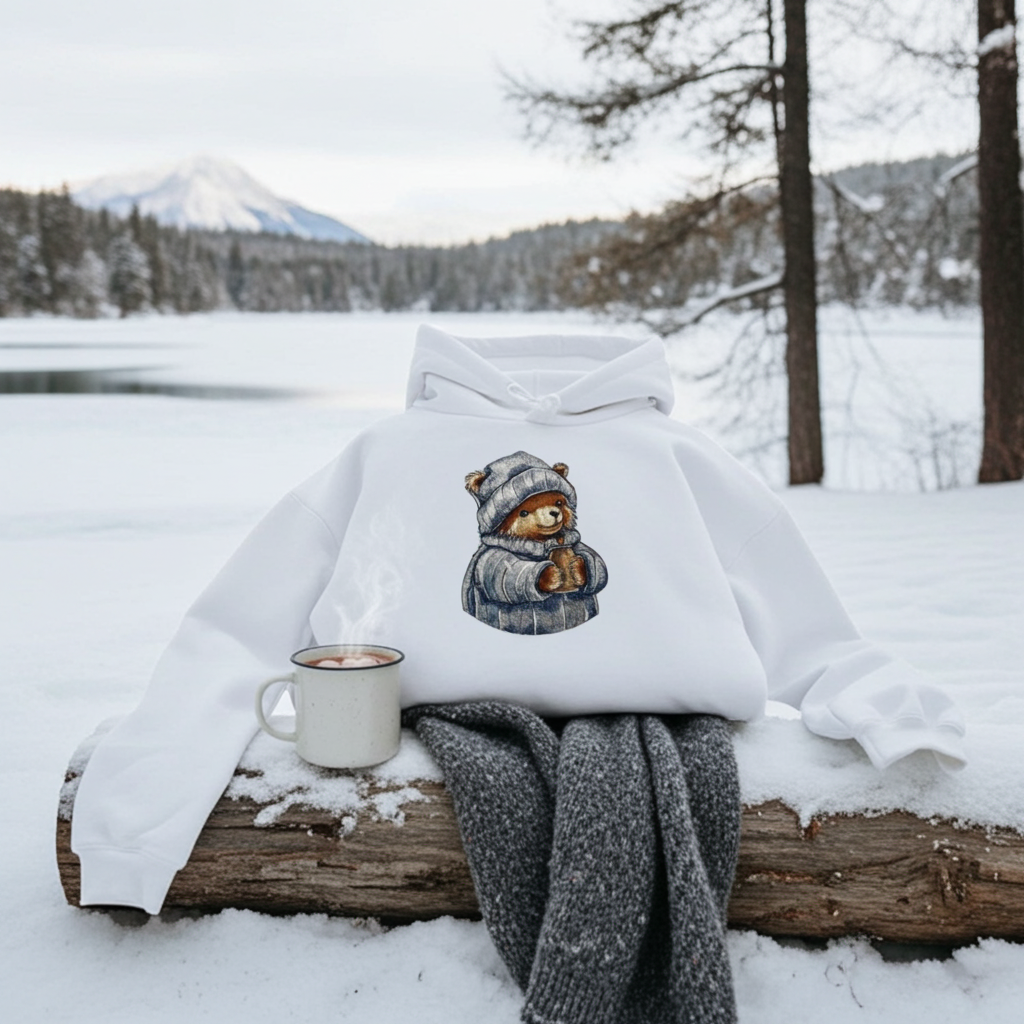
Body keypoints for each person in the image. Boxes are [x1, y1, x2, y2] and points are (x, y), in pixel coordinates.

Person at [71, 324, 966, 916]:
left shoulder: (681, 460)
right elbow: (235, 632)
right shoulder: (384, 455)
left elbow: (810, 626)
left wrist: (889, 709)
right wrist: (131, 838)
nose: (548, 522)